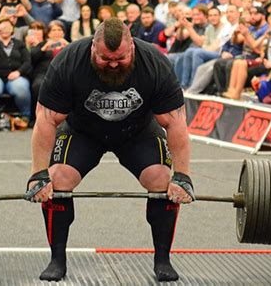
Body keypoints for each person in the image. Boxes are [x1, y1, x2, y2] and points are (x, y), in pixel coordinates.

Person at [25, 18, 194, 282]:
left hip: (136, 131)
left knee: (162, 179)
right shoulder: (68, 62)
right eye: (106, 58)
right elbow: (46, 120)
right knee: (58, 180)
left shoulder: (155, 64)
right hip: (83, 131)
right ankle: (57, 259)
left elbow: (175, 123)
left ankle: (163, 259)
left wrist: (182, 177)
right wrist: (39, 175)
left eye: (121, 58)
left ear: (132, 49)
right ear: (93, 47)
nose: (114, 64)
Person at [0, 17, 32, 128]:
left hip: (15, 75)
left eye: (8, 26)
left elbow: (27, 62)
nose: (4, 29)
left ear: (13, 29)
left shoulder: (19, 44)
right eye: (2, 27)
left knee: (21, 87)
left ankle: (25, 116)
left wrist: (19, 72)